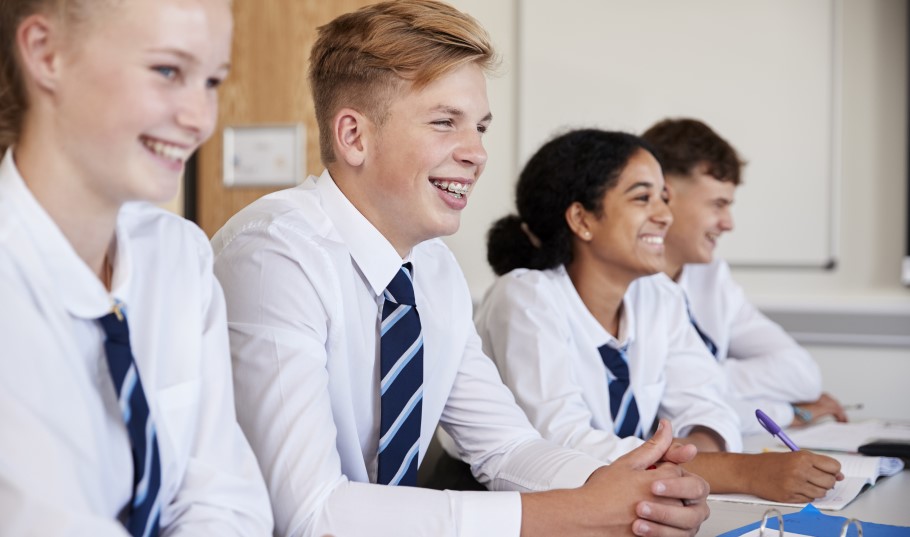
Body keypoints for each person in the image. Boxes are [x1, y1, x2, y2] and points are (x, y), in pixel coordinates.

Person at [211, 2, 711, 536]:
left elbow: (505, 446)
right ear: (354, 137)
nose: (476, 153)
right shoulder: (274, 256)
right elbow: (311, 513)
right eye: (445, 122)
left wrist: (636, 489)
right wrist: (573, 511)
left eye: (481, 127)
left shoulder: (432, 271)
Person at [0, 0, 274, 535]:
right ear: (45, 52)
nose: (201, 120)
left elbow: (225, 500)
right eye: (167, 71)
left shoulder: (177, 256)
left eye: (213, 81)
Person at [476, 128, 843, 503]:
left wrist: (687, 458)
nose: (665, 215)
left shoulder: (658, 296)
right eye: (643, 198)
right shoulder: (526, 297)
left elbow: (706, 404)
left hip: (632, 502)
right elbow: (562, 444)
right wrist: (738, 472)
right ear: (582, 219)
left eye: (664, 199)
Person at [641, 118, 847, 433]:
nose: (728, 223)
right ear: (663, 196)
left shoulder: (711, 277)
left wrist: (702, 379)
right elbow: (665, 417)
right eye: (718, 205)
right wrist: (787, 413)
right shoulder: (624, 284)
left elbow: (803, 375)